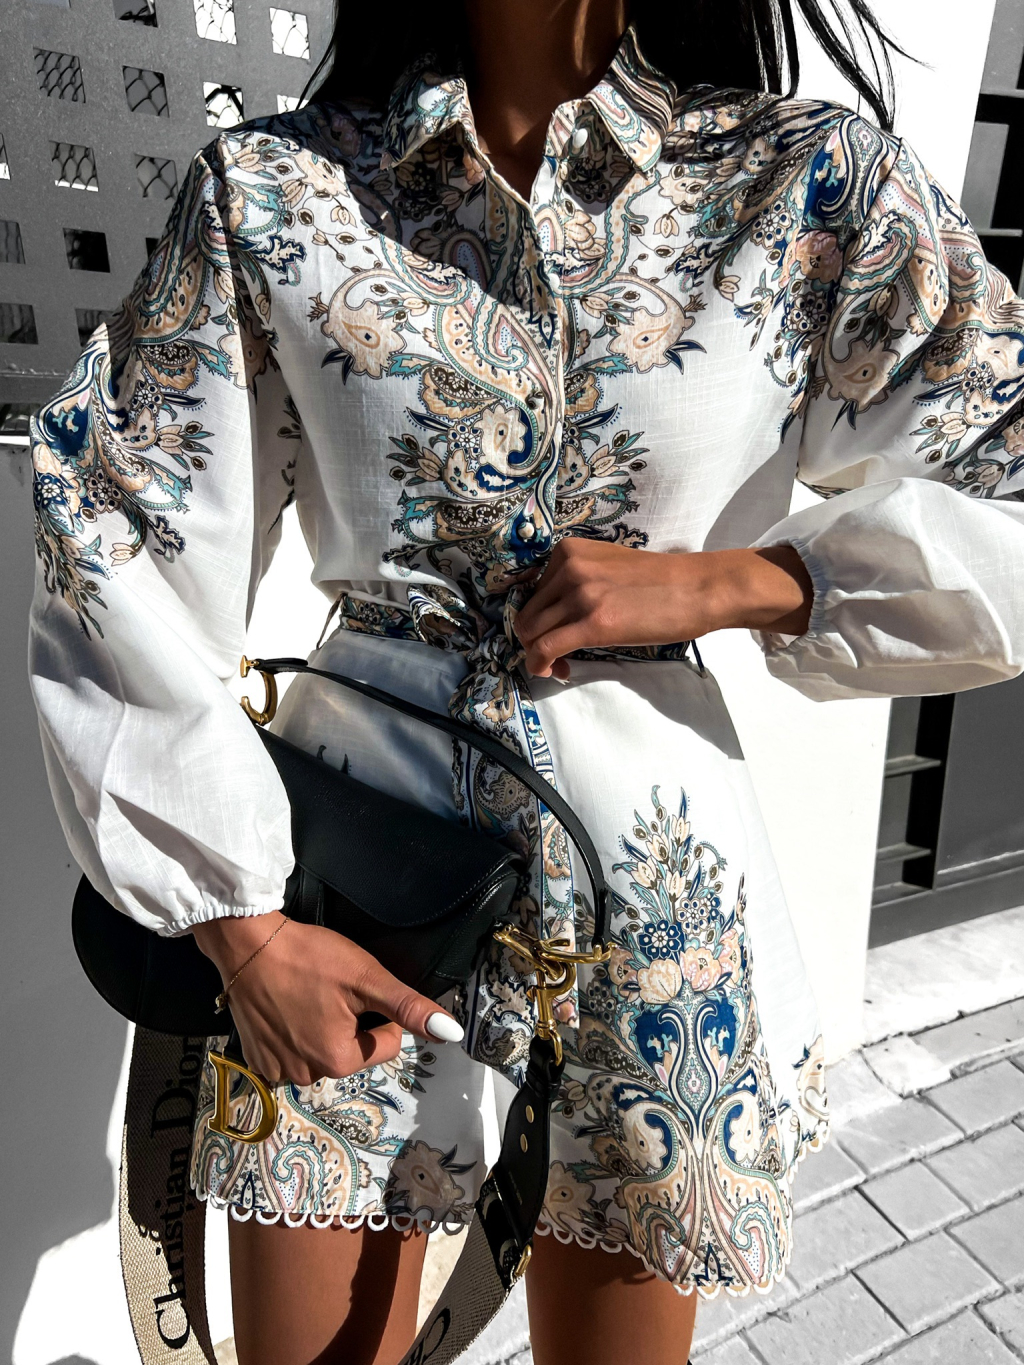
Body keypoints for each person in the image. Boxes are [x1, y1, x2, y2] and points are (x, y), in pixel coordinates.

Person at [27, 0, 1024, 1361]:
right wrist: (242, 934)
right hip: (350, 889)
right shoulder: (277, 190)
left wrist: (739, 580)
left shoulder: (803, 186)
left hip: (651, 894)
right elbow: (111, 539)